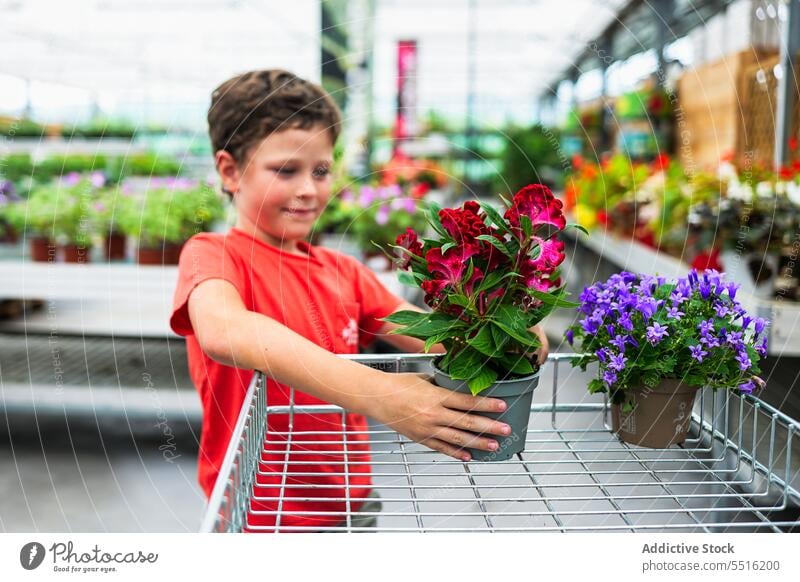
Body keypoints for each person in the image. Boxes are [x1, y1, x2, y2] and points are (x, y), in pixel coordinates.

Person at [169, 69, 548, 531]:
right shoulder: (213, 256)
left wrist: (504, 328)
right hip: (260, 518)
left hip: (352, 505)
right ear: (230, 171)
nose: (309, 189)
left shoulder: (343, 271)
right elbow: (226, 331)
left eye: (321, 170)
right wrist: (385, 395)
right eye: (286, 170)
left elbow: (427, 334)